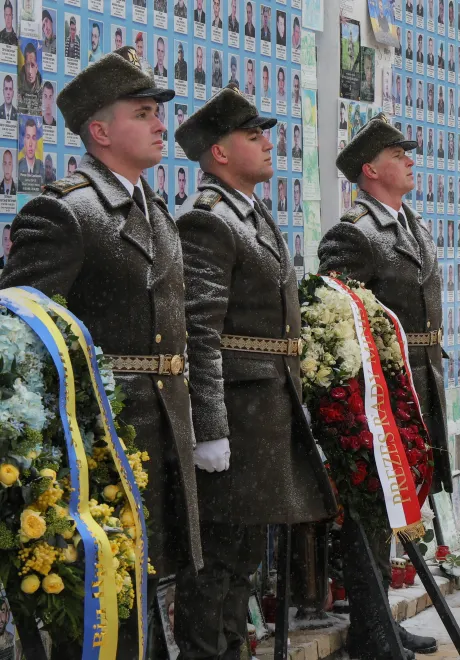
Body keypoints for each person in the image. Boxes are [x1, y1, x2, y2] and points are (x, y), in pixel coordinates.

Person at [0, 46, 202, 659]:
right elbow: (18, 342)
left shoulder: (155, 210)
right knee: (95, 605)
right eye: (143, 112)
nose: (161, 124)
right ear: (100, 130)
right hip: (97, 449)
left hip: (158, 432)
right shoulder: (65, 212)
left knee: (144, 589)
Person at [173, 85, 336, 660]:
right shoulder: (208, 221)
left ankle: (232, 651)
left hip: (264, 410)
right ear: (219, 153)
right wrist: (210, 426)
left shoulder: (250, 214)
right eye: (252, 134)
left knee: (242, 556)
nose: (268, 143)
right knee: (214, 560)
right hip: (236, 416)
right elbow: (200, 331)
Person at [318, 113, 447, 659]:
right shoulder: (355, 232)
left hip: (420, 380)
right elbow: (338, 316)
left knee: (395, 507)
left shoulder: (406, 222)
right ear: (370, 170)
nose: (410, 159)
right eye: (398, 154)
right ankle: (370, 633)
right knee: (372, 509)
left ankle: (383, 623)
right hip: (381, 391)